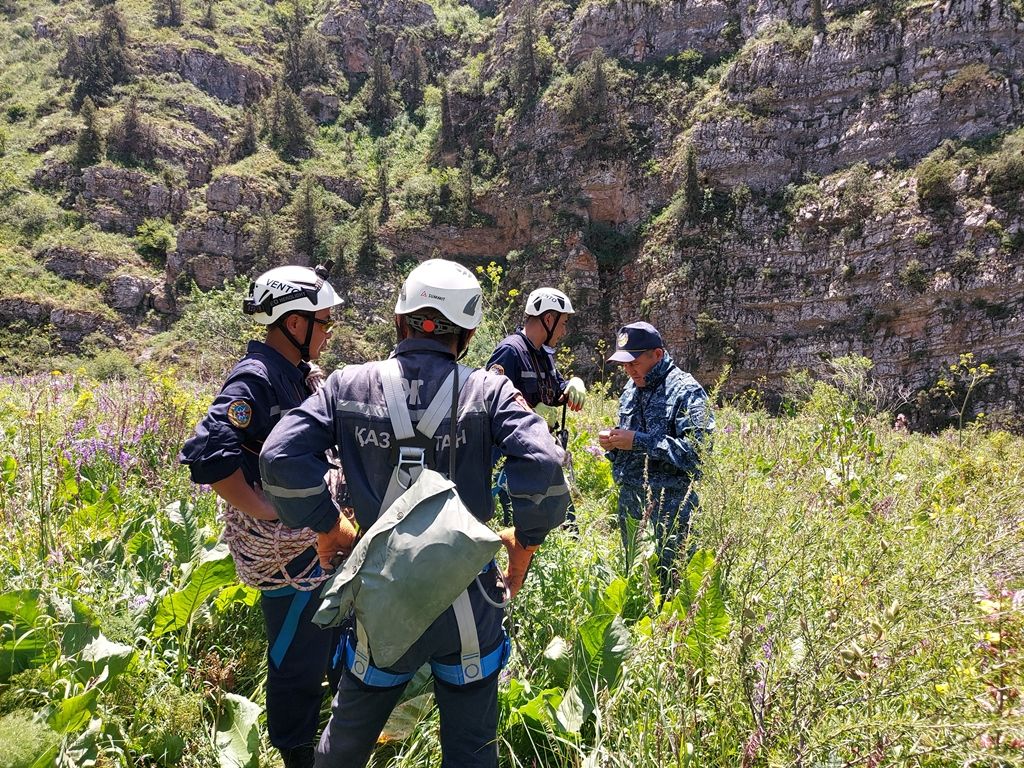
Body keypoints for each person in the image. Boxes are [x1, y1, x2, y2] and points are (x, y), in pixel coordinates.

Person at [259, 258, 569, 768]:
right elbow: (544, 463)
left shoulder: (345, 386)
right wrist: (524, 541)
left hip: (382, 604)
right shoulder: (489, 392)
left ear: (401, 320)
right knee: (471, 750)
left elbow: (279, 458)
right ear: (467, 333)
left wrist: (328, 524)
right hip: (468, 605)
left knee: (347, 742)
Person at [179, 264, 345, 768]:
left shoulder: (291, 374)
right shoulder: (256, 378)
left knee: (326, 639)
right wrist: (267, 510)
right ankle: (295, 751)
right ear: (295, 324)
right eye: (324, 319)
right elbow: (209, 454)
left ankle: (333, 735)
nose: (330, 328)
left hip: (313, 537)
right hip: (286, 555)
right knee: (295, 656)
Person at [598, 321, 715, 597]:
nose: (629, 369)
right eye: (624, 364)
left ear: (658, 354)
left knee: (673, 590)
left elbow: (698, 455)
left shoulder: (687, 391)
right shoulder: (630, 389)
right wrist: (615, 444)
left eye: (634, 362)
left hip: (670, 510)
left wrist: (638, 441)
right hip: (631, 504)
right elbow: (630, 443)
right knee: (638, 586)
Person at [487, 287, 586, 524]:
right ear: (548, 319)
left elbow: (555, 390)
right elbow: (489, 401)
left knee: (565, 523)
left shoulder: (544, 355)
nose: (564, 331)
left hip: (541, 453)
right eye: (563, 323)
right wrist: (529, 412)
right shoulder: (510, 351)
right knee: (519, 526)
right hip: (512, 460)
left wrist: (572, 384)